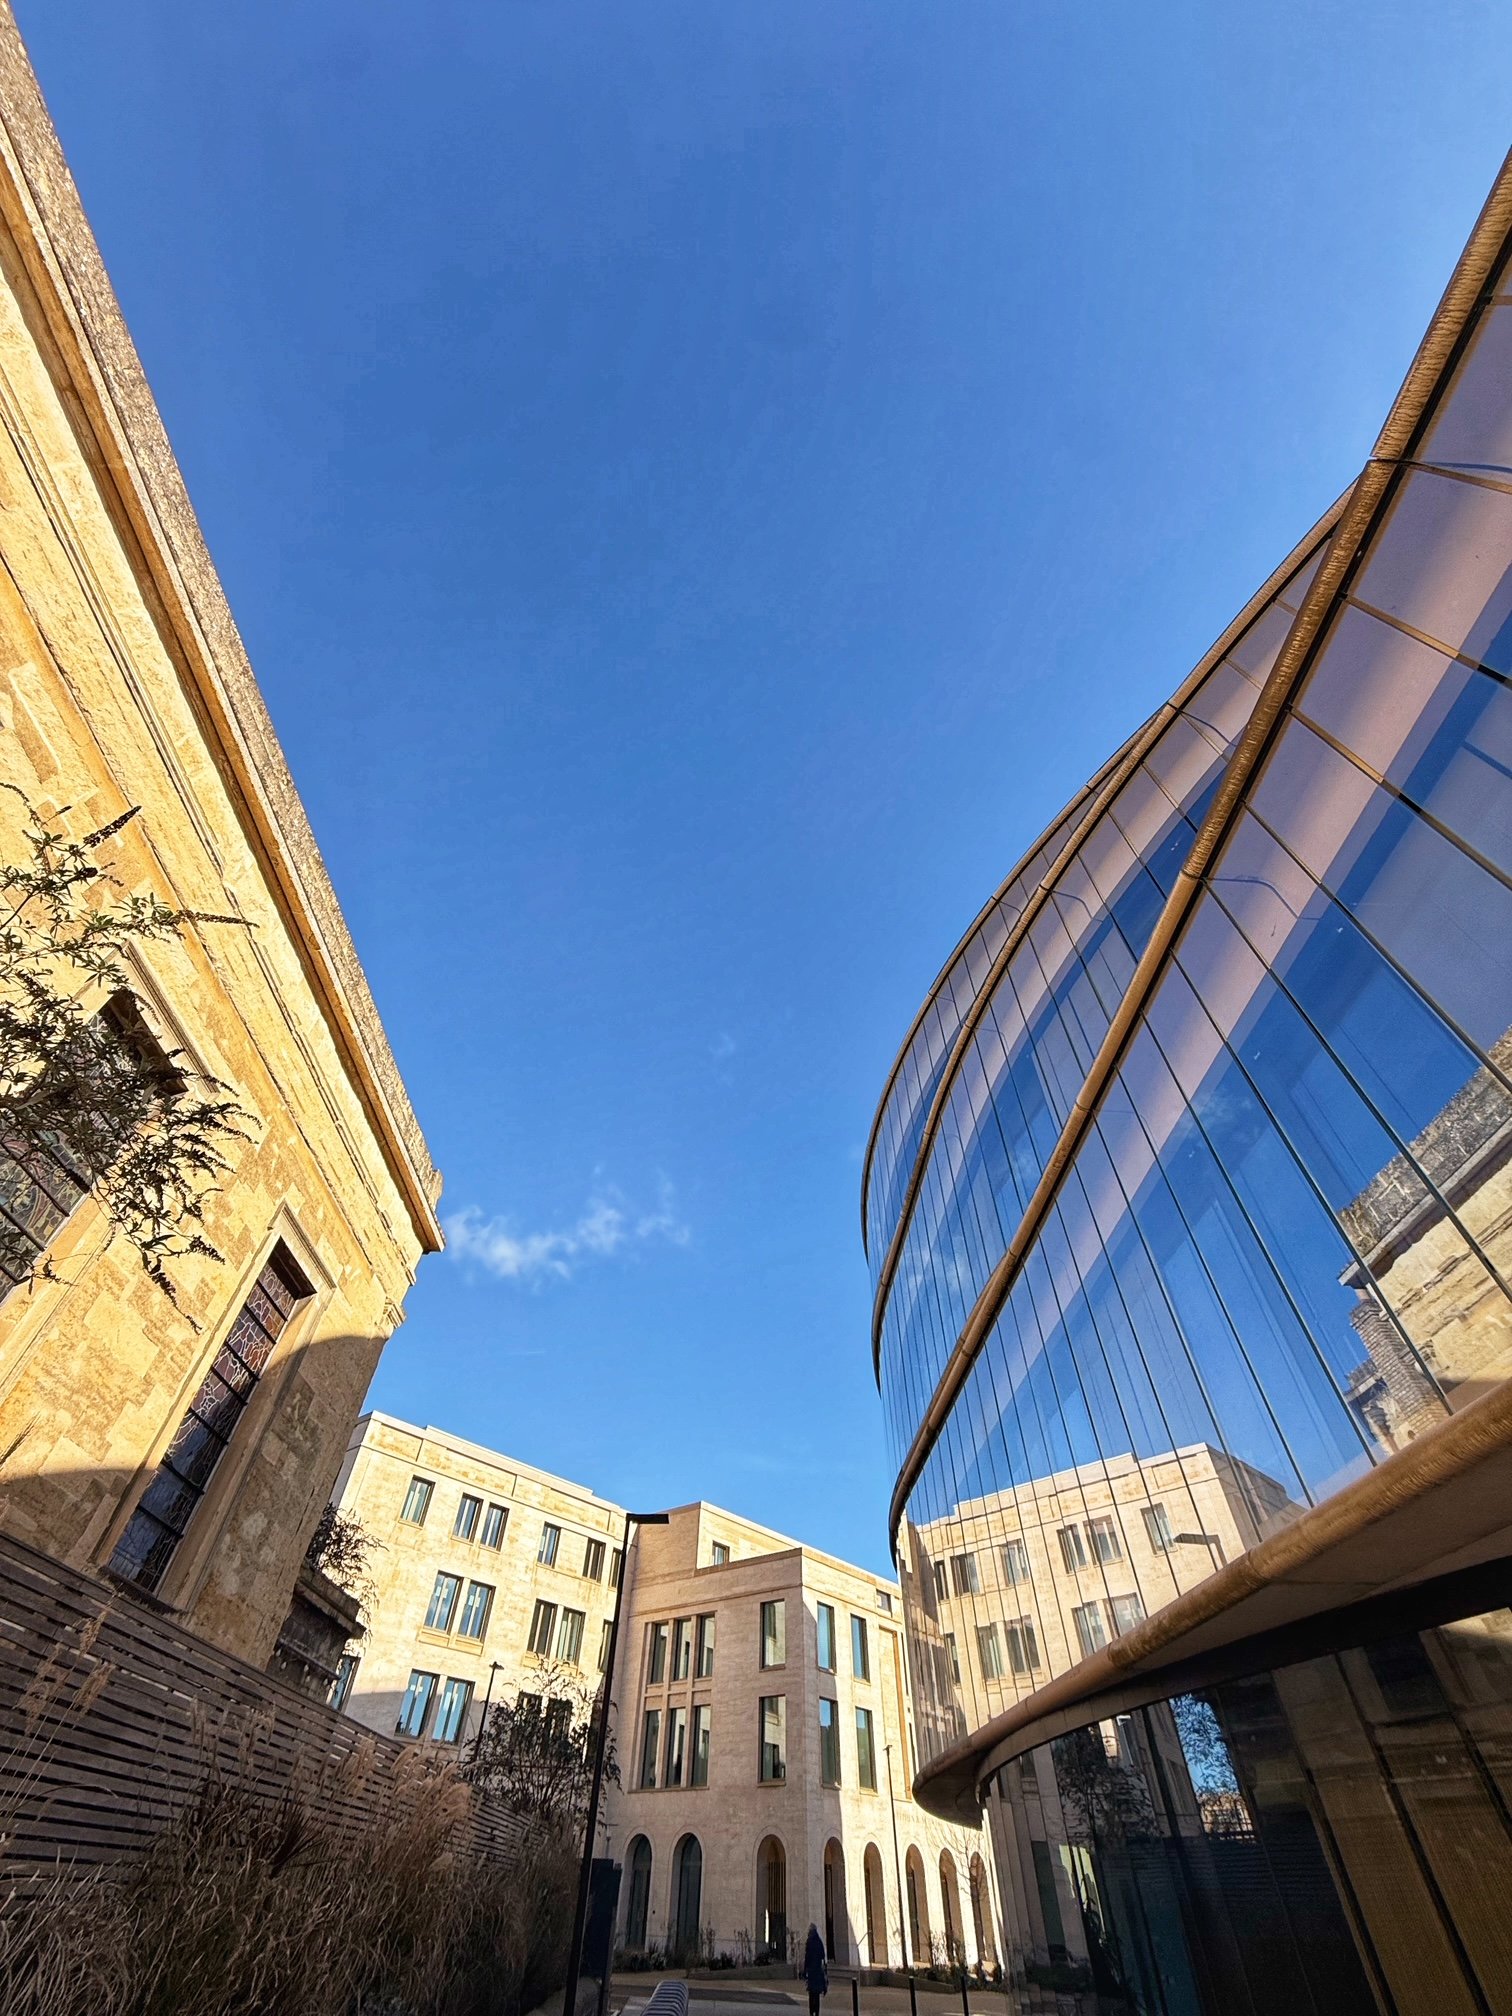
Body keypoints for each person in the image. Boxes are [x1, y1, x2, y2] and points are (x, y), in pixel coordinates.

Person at [803, 1923, 828, 2016]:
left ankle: (811, 2012)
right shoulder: (819, 1941)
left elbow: (807, 1957)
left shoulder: (809, 1942)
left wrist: (805, 1970)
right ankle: (816, 2012)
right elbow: (822, 1956)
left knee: (811, 1993)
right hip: (817, 1970)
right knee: (816, 1993)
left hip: (812, 1970)